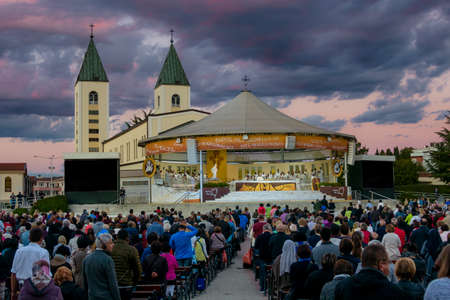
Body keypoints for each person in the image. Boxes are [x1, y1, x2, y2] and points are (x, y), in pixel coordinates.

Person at [334, 243, 405, 300]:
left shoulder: (343, 287)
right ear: (381, 265)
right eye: (387, 263)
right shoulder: (394, 292)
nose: (389, 267)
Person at [11, 228, 50, 300]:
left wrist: (13, 292)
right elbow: (46, 274)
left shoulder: (20, 251)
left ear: (29, 238)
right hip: (37, 287)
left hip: (23, 287)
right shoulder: (43, 252)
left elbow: (14, 273)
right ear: (41, 239)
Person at [82, 233, 120, 300]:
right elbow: (113, 284)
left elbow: (85, 282)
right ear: (103, 245)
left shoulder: (86, 259)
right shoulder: (108, 260)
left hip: (92, 297)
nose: (113, 245)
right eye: (110, 243)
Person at [111, 229, 142, 299]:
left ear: (117, 237)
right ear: (127, 238)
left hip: (113, 284)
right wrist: (135, 281)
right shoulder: (131, 249)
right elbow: (137, 269)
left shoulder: (110, 248)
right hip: (127, 284)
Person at [254, 223, 272, 292]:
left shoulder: (260, 236)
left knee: (262, 272)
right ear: (269, 229)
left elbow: (256, 246)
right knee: (271, 272)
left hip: (262, 257)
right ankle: (270, 288)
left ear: (263, 229)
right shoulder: (272, 236)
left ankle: (262, 287)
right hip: (270, 257)